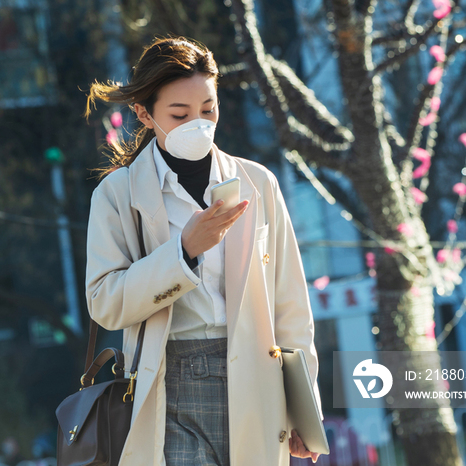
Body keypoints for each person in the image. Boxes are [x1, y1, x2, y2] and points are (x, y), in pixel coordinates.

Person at [82, 35, 323, 466]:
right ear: (143, 112)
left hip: (256, 380)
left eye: (208, 109)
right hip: (166, 385)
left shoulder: (258, 182)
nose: (199, 123)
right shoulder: (116, 195)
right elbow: (104, 302)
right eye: (180, 113)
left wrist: (305, 410)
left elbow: (291, 307)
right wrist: (184, 252)